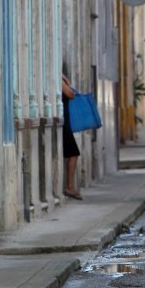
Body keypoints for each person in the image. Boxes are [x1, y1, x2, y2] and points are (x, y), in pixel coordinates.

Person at [61, 69, 82, 200]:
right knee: (74, 153)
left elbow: (68, 85)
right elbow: (70, 93)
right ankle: (69, 186)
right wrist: (62, 77)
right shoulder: (56, 79)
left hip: (65, 121)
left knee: (73, 153)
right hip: (63, 123)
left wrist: (64, 77)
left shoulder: (60, 78)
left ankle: (70, 186)